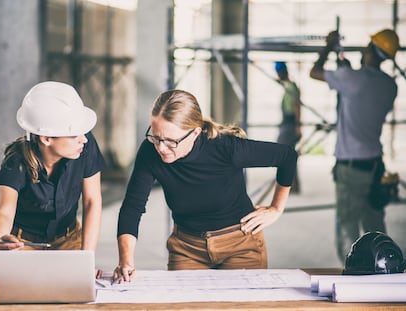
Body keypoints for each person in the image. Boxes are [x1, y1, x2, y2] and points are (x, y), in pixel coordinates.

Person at [113, 89, 298, 282]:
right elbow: (132, 207)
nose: (161, 147)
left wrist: (276, 208)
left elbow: (287, 156)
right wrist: (126, 260)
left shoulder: (226, 148)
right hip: (187, 248)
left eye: (171, 141)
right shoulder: (150, 152)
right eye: (156, 137)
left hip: (240, 244)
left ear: (195, 133)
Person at [309, 29, 400, 263]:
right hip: (375, 166)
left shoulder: (352, 79)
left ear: (371, 51)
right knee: (375, 225)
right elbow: (361, 90)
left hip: (351, 169)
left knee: (348, 228)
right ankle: (383, 269)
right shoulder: (390, 86)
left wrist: (329, 47)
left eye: (367, 46)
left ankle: (353, 273)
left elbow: (315, 72)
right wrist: (346, 72)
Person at [0, 81, 105, 257]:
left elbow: (92, 202)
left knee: (77, 284)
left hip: (69, 238)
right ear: (46, 138)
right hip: (23, 243)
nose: (84, 139)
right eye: (74, 134)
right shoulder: (17, 162)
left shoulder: (84, 146)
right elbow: (3, 211)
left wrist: (86, 258)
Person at [274, 61, 302, 192]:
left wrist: (298, 126)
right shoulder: (288, 87)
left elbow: (296, 107)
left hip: (290, 124)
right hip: (287, 123)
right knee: (287, 154)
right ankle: (292, 185)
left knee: (284, 154)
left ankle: (290, 185)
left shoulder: (292, 88)